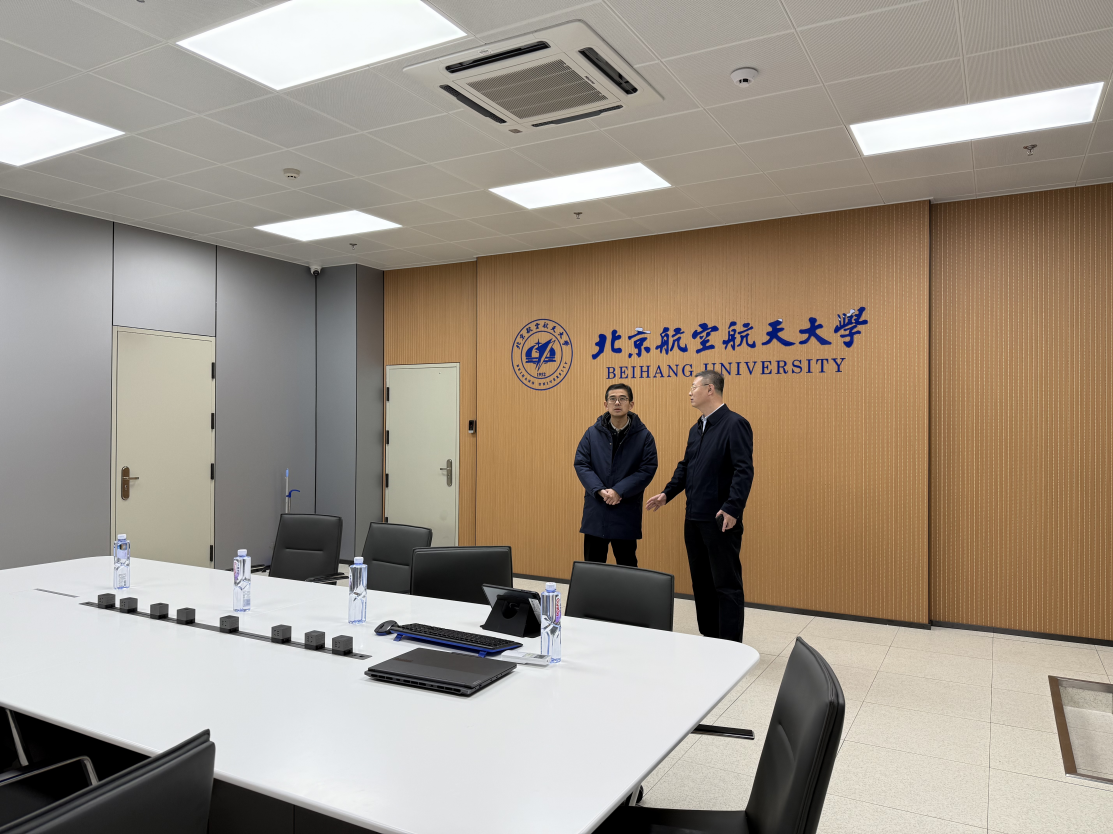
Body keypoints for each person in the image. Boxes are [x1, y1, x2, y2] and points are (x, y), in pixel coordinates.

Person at [645, 370, 753, 641]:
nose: (690, 392)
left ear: (710, 389)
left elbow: (743, 470)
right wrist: (667, 494)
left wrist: (732, 508)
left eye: (694, 387)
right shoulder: (697, 428)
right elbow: (686, 466)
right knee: (701, 583)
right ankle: (710, 638)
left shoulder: (735, 423)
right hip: (693, 517)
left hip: (720, 518)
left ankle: (730, 645)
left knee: (726, 584)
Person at [574, 383, 658, 567]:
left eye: (622, 399)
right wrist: (599, 490)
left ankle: (627, 591)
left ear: (631, 404)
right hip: (597, 509)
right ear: (606, 404)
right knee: (593, 568)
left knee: (627, 567)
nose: (617, 403)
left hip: (625, 509)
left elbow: (647, 469)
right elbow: (581, 463)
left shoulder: (644, 436)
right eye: (612, 399)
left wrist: (618, 490)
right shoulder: (592, 433)